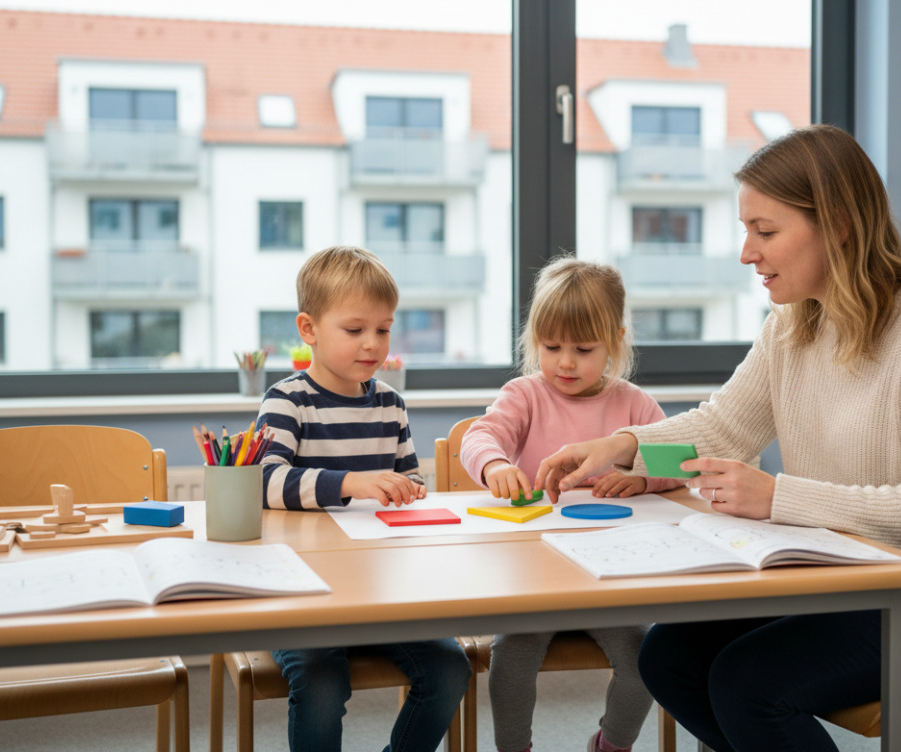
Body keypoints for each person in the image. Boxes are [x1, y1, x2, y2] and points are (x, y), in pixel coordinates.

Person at [534, 124, 901, 752]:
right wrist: (625, 444)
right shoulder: (795, 322)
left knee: (752, 685)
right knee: (669, 656)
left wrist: (778, 499)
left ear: (839, 223)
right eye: (747, 231)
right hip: (850, 579)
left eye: (765, 232)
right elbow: (724, 427)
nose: (748, 253)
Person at [459, 257, 679, 752]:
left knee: (647, 660)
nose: (564, 362)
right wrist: (495, 466)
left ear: (615, 342)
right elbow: (479, 437)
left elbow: (678, 462)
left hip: (611, 584)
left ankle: (611, 744)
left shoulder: (634, 404)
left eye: (583, 349)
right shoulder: (526, 394)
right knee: (511, 661)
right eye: (551, 346)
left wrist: (642, 481)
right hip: (537, 581)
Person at [256, 245, 471, 752]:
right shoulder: (288, 400)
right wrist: (352, 483)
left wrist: (409, 490)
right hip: (303, 594)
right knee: (323, 681)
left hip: (381, 592)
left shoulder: (390, 404)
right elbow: (265, 482)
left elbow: (408, 484)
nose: (372, 344)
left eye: (384, 329)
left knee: (449, 669)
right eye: (355, 330)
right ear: (308, 329)